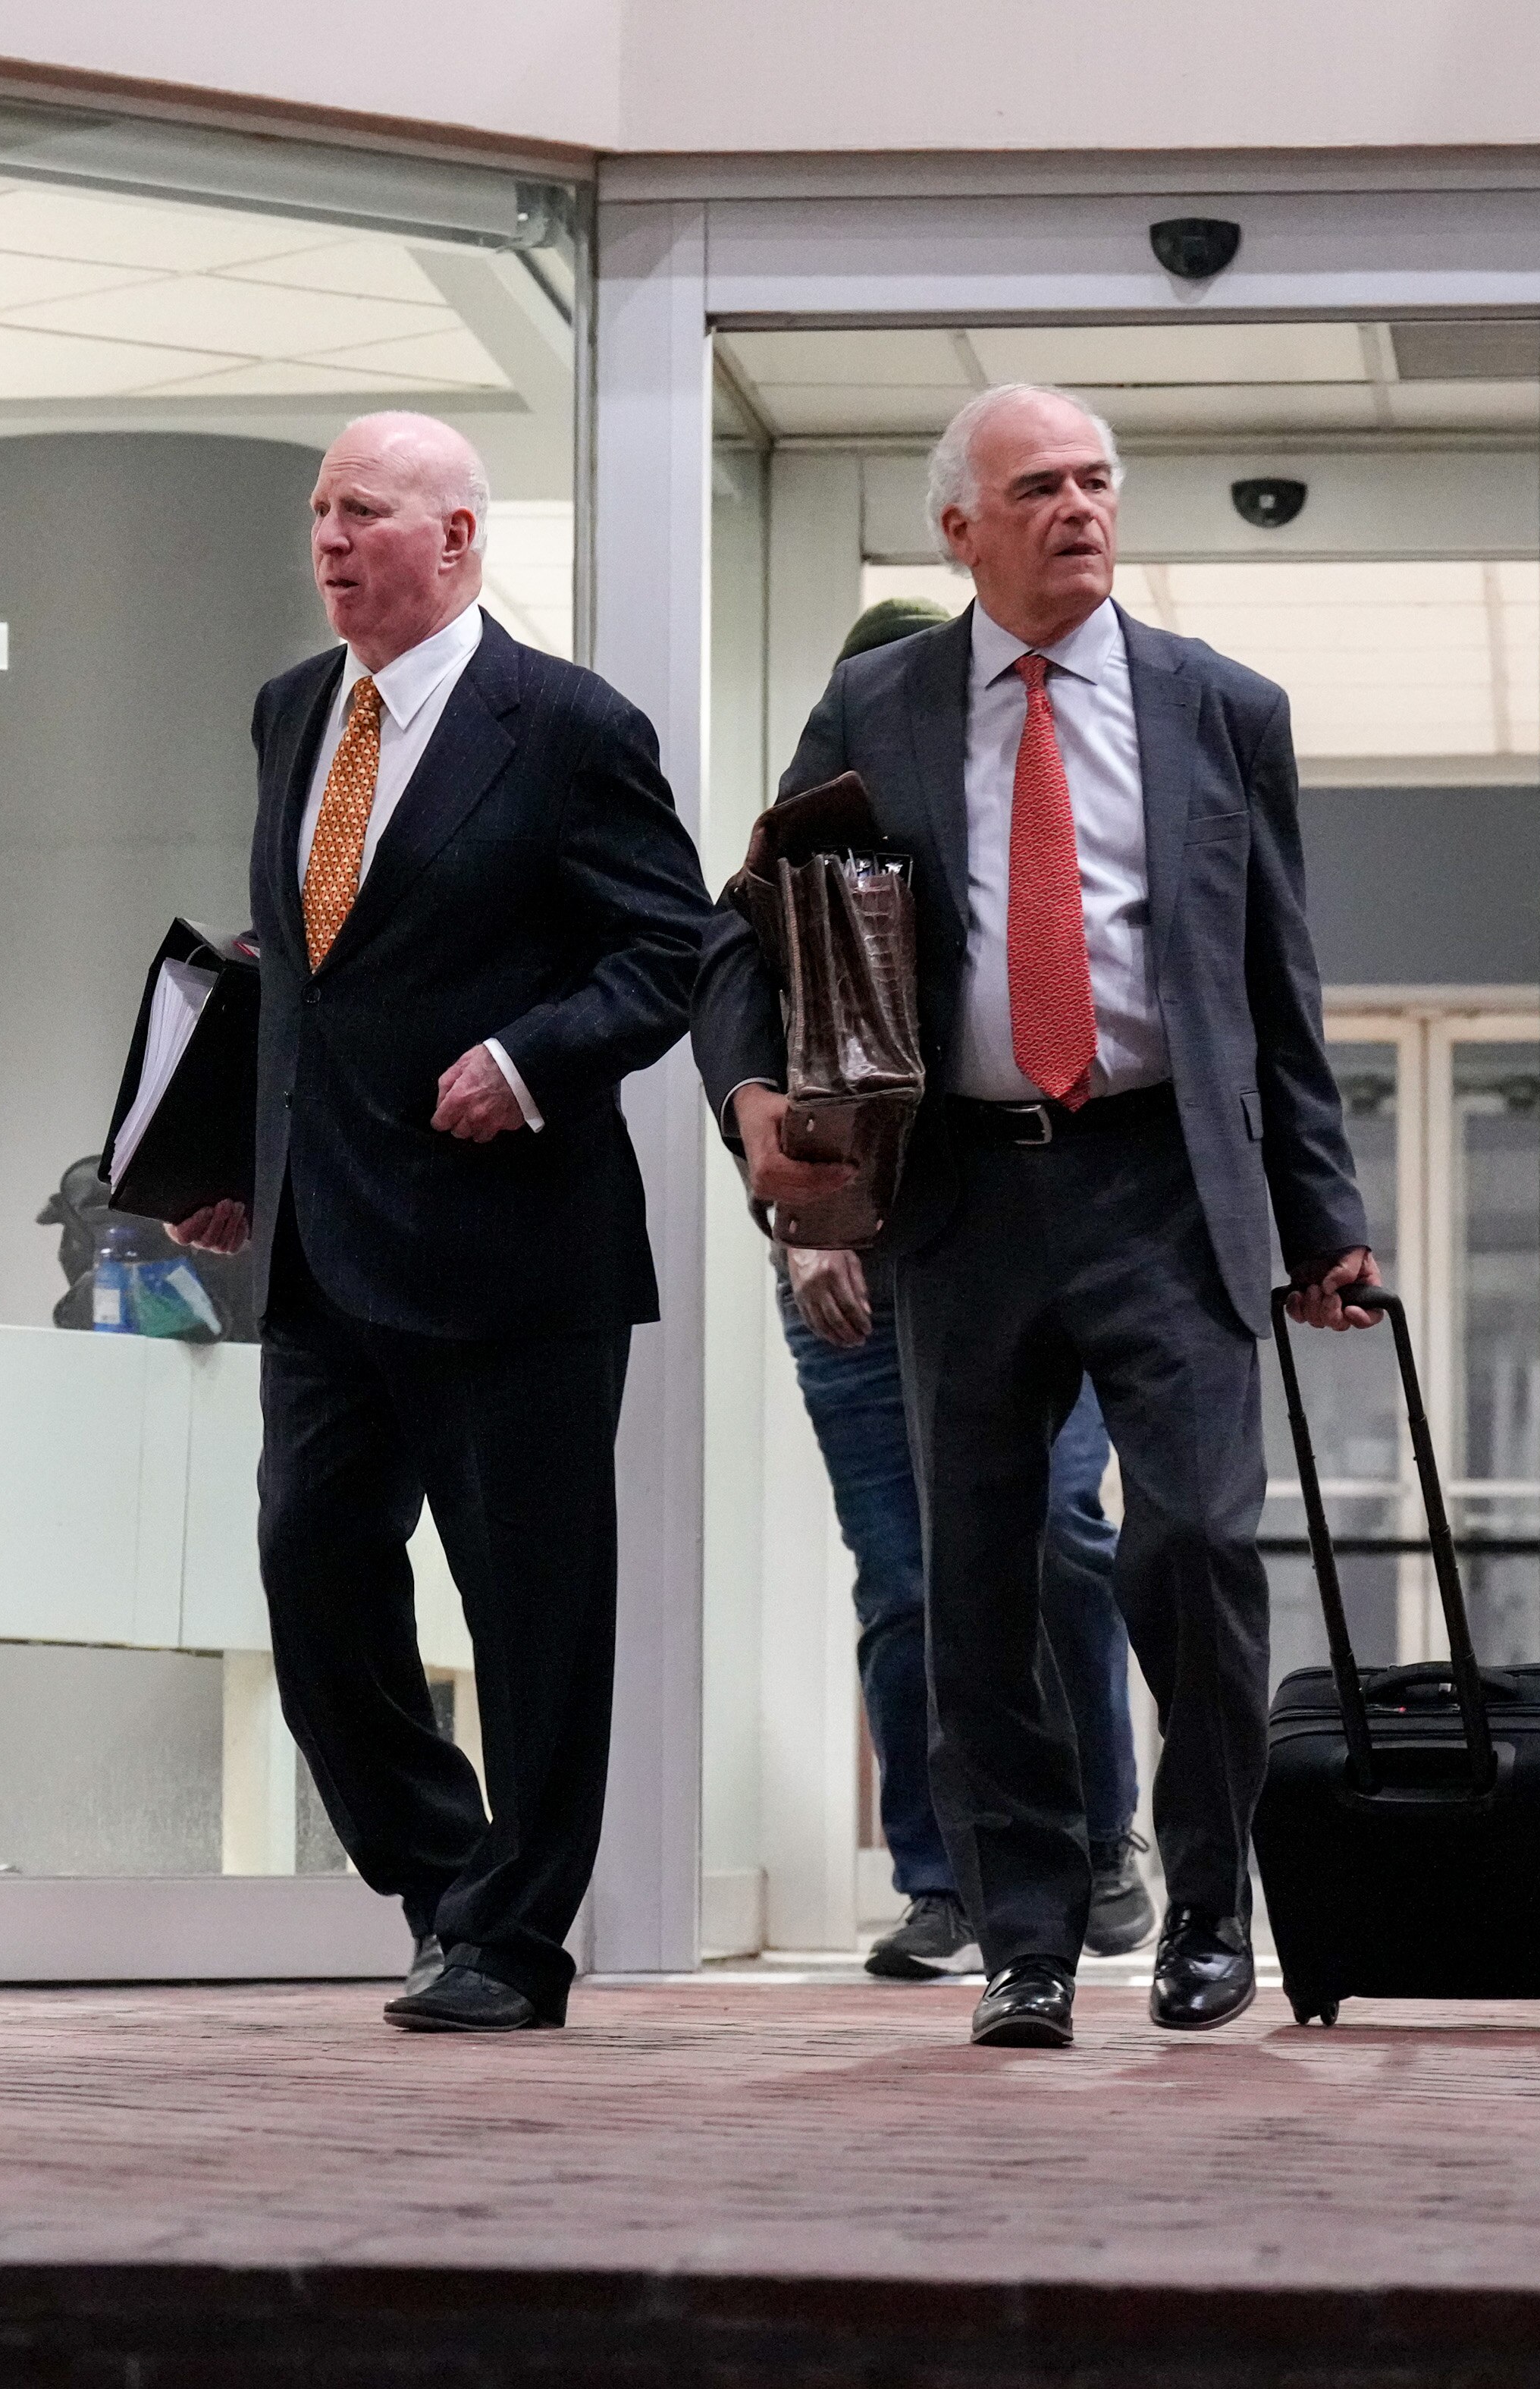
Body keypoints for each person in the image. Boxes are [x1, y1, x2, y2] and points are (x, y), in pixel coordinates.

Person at [696, 384, 1379, 2049]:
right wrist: (755, 1099)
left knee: (1194, 1542)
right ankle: (1023, 1938)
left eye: (1095, 481)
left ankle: (1206, 1906)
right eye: (1037, 489)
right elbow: (750, 932)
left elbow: (1274, 983)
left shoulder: (1222, 707)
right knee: (977, 1574)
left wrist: (1323, 1218)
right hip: (965, 1195)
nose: (1078, 509)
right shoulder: (879, 702)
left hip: (1166, 1182)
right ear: (959, 530)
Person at [170, 411, 711, 2035]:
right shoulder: (290, 711)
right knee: (312, 1572)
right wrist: (227, 1152)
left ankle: (513, 1941)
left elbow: (668, 951)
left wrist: (531, 1062)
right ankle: (446, 1876)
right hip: (322, 1241)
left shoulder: (567, 727)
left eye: (364, 512)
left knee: (530, 1609)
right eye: (319, 512)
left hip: (512, 1250)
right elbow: (305, 973)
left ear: (457, 538)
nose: (329, 541)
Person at [770, 595, 1152, 1982]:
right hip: (857, 1253)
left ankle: (1098, 1839)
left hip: (1016, 1243)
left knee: (1056, 1536)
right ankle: (943, 1878)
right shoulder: (800, 865)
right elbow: (771, 1048)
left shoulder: (1017, 836)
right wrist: (808, 1227)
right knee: (905, 1574)